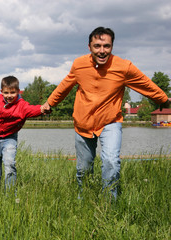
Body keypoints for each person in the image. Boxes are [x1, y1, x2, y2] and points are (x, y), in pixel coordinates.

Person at [42, 27, 170, 200]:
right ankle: (85, 200)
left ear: (112, 47)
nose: (102, 51)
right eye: (97, 46)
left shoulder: (124, 67)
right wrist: (50, 103)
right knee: (84, 168)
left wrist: (164, 99)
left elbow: (145, 83)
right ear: (89, 47)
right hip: (83, 123)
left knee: (111, 161)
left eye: (106, 46)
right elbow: (65, 85)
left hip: (110, 122)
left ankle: (109, 204)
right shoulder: (79, 64)